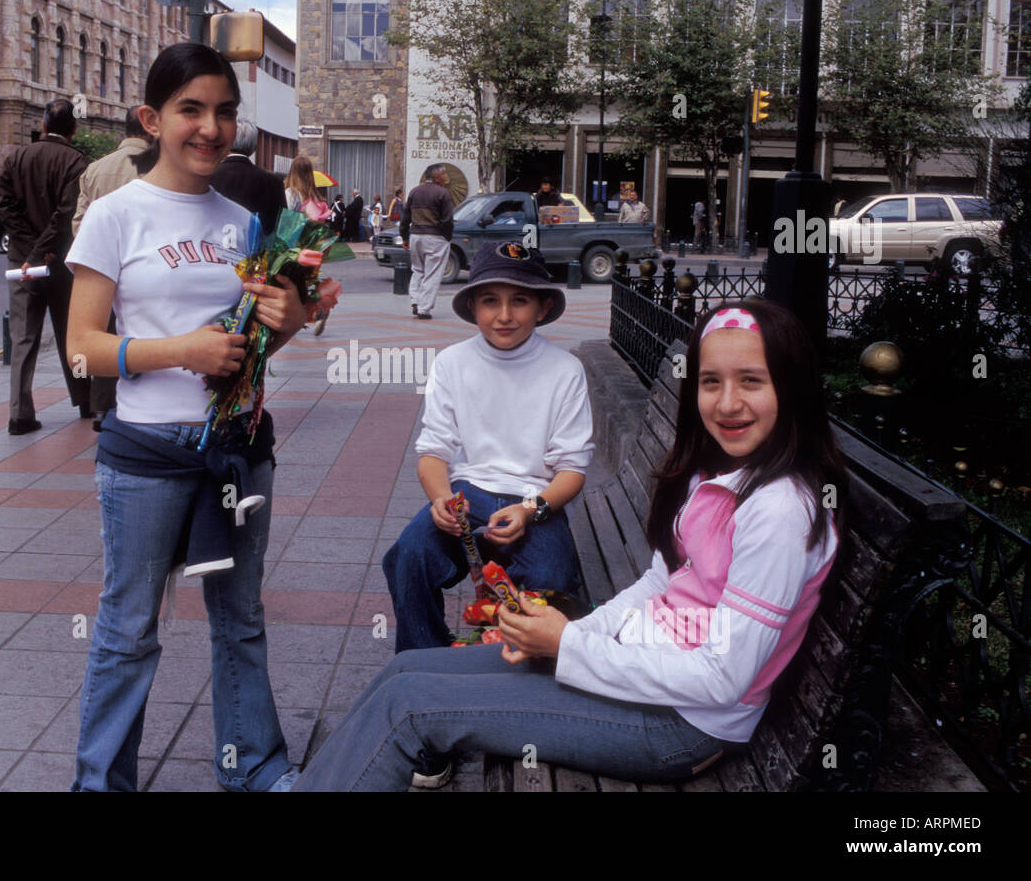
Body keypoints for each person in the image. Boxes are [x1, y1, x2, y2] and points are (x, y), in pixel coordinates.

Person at [296, 299, 847, 791]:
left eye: (752, 380)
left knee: (410, 707)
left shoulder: (779, 511)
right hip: (641, 668)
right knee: (406, 670)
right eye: (711, 382)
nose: (728, 403)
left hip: (682, 725)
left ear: (791, 386)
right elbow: (660, 581)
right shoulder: (716, 477)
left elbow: (725, 680)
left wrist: (569, 645)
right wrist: (572, 634)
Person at [64, 41, 306, 793]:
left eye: (224, 112)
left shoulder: (243, 221)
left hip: (237, 452)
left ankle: (256, 766)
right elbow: (81, 349)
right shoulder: (115, 216)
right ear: (152, 119)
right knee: (129, 630)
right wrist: (182, 352)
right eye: (190, 110)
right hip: (145, 458)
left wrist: (290, 317)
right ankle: (102, 783)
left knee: (241, 619)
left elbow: (254, 345)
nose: (210, 128)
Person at [382, 241, 591, 656]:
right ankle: (424, 659)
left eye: (520, 301)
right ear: (474, 306)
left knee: (553, 577)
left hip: (534, 502)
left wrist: (531, 510)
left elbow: (572, 470)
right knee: (408, 555)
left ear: (542, 308)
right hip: (468, 495)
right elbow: (433, 452)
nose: (505, 315)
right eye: (490, 301)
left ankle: (517, 665)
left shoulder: (565, 370)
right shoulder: (452, 363)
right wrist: (441, 499)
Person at [0, 98, 90, 435]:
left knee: (22, 337)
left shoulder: (16, 157)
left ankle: (19, 414)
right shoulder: (76, 162)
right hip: (60, 263)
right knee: (72, 336)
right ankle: (85, 399)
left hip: (21, 263)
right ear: (73, 129)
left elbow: (4, 207)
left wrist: (26, 250)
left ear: (44, 124)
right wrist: (41, 251)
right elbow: (65, 216)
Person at [72, 107, 153, 430]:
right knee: (144, 330)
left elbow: (78, 223)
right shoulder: (160, 167)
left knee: (103, 333)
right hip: (146, 263)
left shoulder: (95, 169)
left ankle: (102, 408)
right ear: (150, 129)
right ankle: (141, 401)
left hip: (104, 268)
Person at [211, 118, 284, 241]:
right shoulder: (274, 182)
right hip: (258, 257)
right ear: (254, 147)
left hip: (215, 252)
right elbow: (284, 232)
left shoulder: (208, 177)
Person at [400, 164, 454, 320]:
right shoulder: (443, 193)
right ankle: (424, 308)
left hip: (416, 235)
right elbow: (447, 220)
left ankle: (415, 300)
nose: (446, 177)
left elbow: (405, 218)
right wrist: (446, 237)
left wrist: (404, 237)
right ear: (437, 177)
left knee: (418, 270)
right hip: (435, 237)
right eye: (444, 174)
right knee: (433, 273)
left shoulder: (414, 191)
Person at [283, 155, 330, 224]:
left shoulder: (291, 193)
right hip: (311, 232)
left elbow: (285, 219)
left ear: (292, 172)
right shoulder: (316, 195)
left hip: (294, 232)